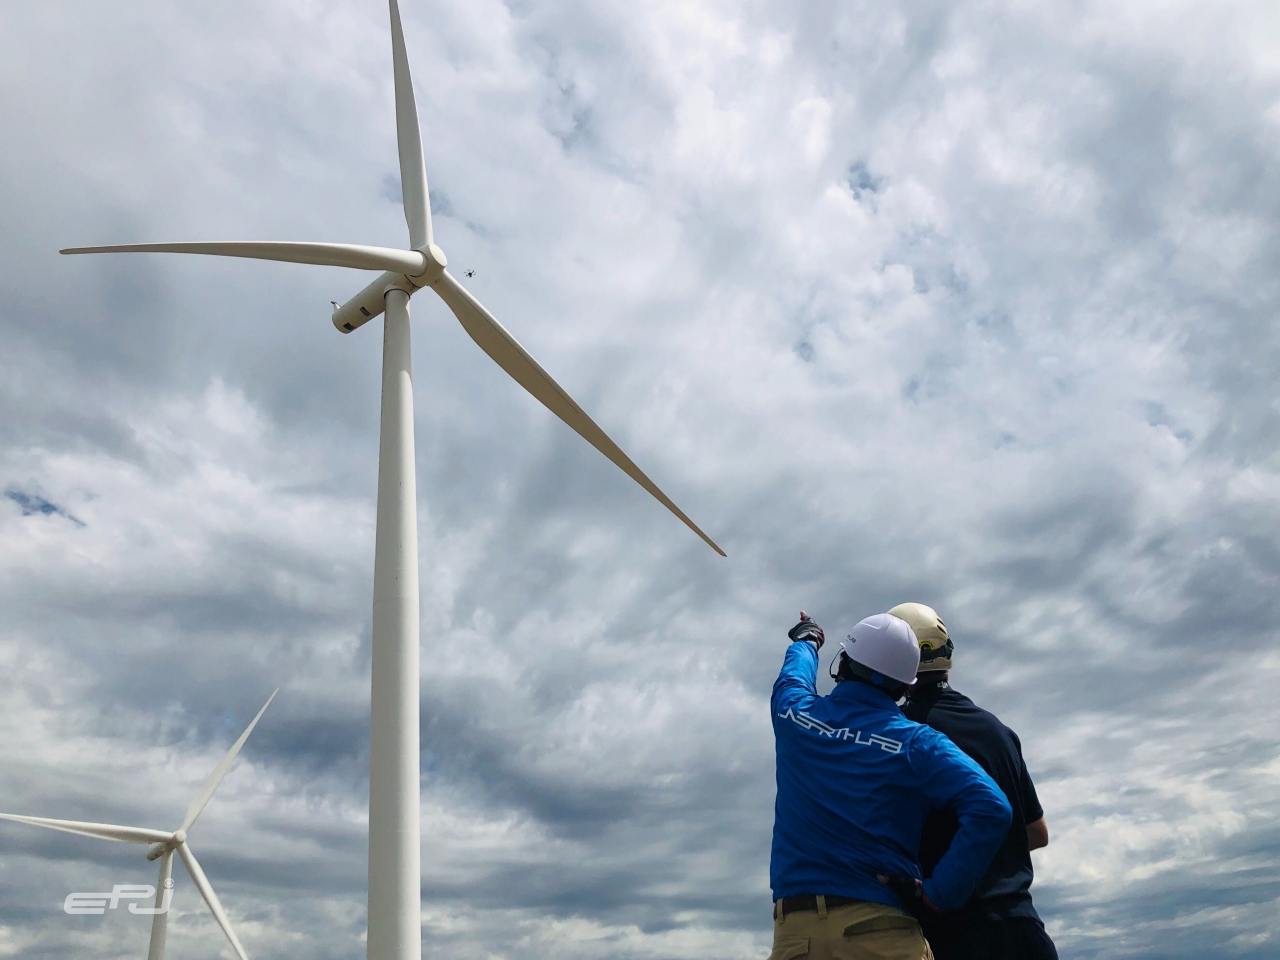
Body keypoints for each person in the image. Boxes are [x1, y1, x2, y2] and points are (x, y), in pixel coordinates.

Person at [769, 611, 1012, 960]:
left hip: (797, 938)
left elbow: (794, 676)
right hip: (882, 934)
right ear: (905, 686)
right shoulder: (918, 743)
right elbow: (992, 808)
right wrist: (938, 895)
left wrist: (808, 639)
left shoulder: (794, 714)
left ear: (843, 664)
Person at [890, 602, 1058, 960]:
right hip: (1026, 932)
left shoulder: (901, 734)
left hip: (954, 935)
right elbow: (1037, 832)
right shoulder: (999, 731)